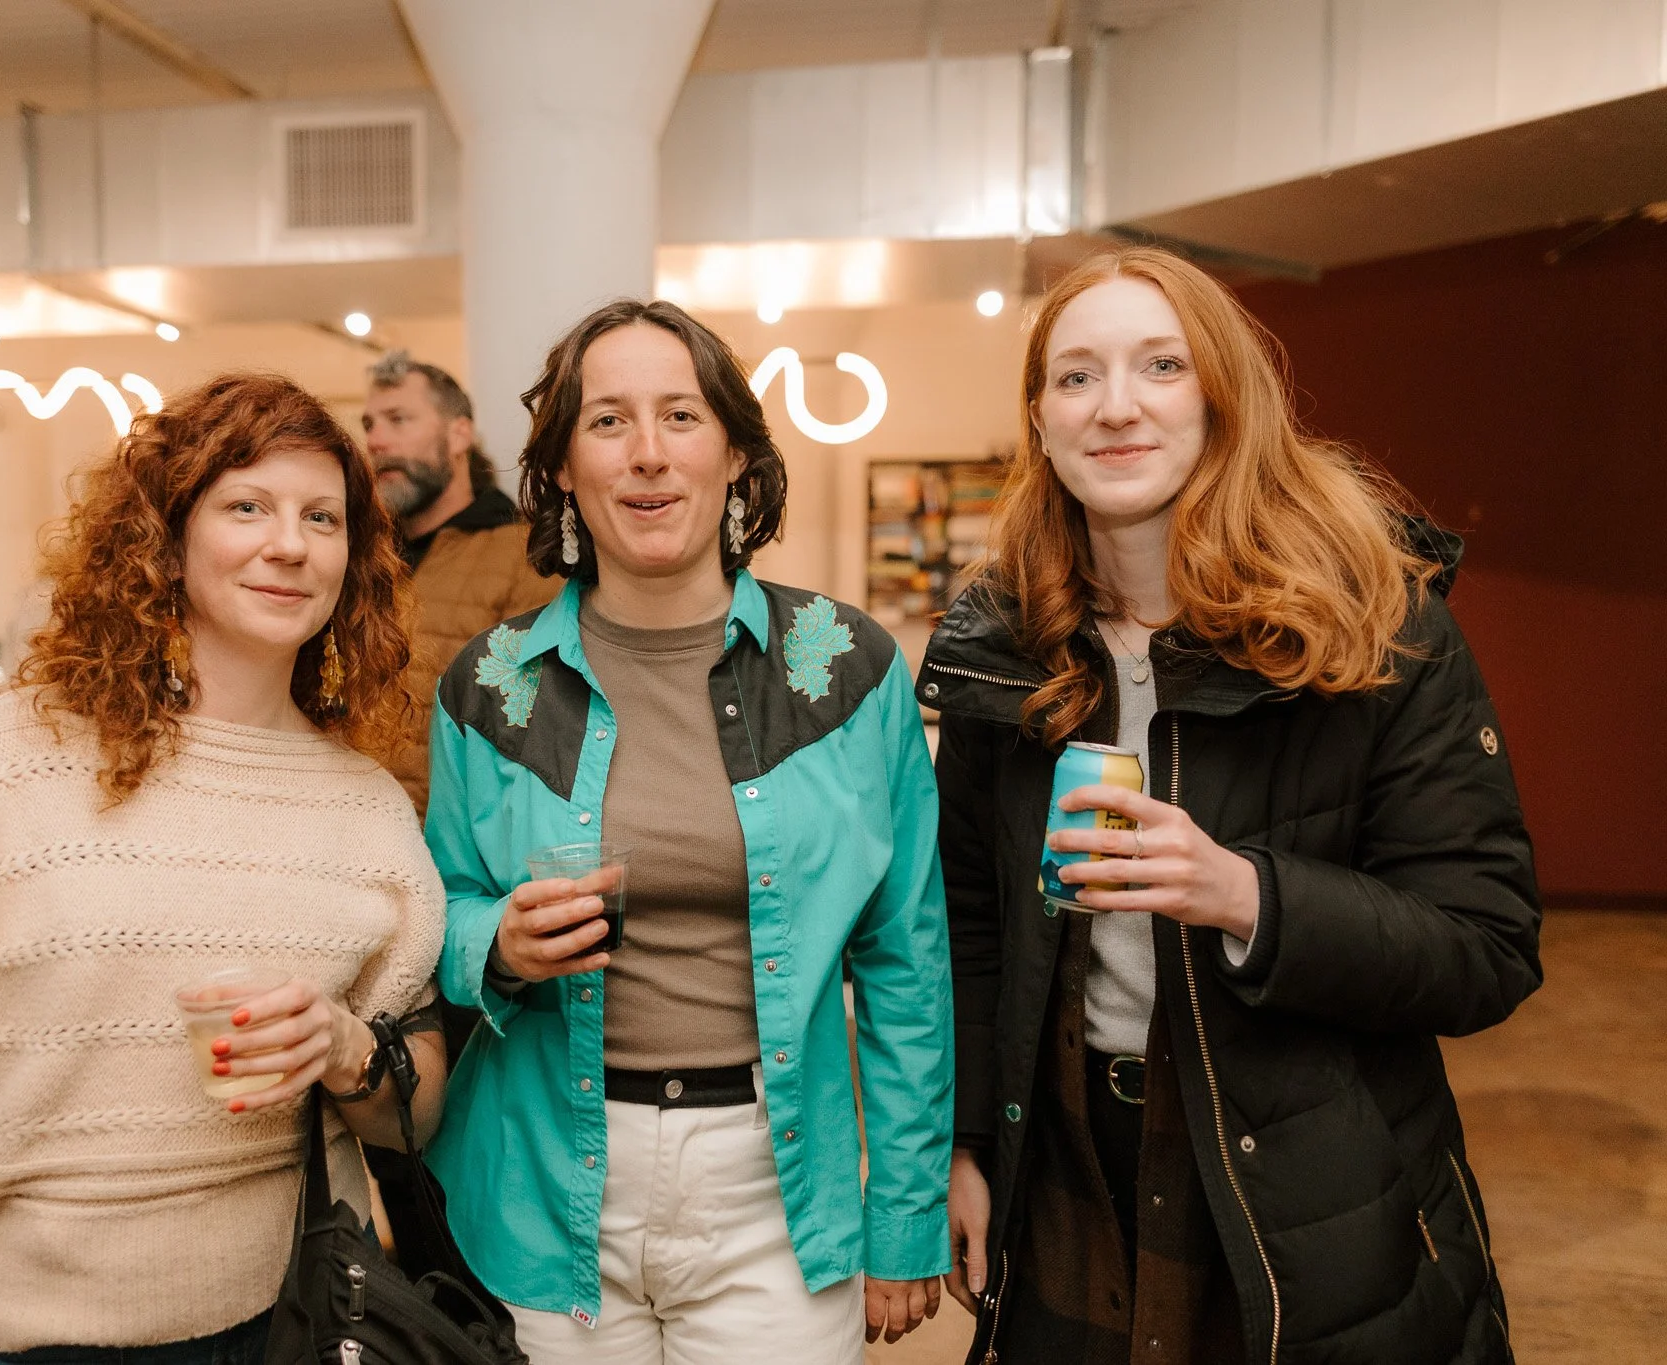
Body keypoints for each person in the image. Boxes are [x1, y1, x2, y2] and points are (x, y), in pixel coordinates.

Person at [922, 247, 1540, 1365]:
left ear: (1222, 396)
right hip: (1062, 1171)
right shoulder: (1002, 650)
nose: (1115, 408)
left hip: (1308, 1188)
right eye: (1075, 377)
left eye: (1159, 366)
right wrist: (964, 1145)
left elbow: (1483, 946)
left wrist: (1247, 897)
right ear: (1039, 422)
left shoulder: (1375, 629)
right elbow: (966, 917)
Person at [0, 373, 450, 1363]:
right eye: (247, 506)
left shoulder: (365, 808)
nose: (288, 542)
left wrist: (341, 1048)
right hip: (30, 1339)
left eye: (320, 516)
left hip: (297, 1321)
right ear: (168, 536)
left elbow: (411, 1110)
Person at [422, 300, 953, 1363]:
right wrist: (496, 947)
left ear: (736, 457)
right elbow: (429, 917)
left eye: (681, 415)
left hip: (774, 1179)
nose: (649, 455)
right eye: (608, 422)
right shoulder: (487, 685)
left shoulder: (846, 669)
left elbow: (906, 961)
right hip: (545, 1179)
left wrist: (904, 1214)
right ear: (563, 467)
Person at [361, 350, 558, 815]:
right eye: (369, 424)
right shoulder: (360, 557)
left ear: (458, 434)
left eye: (399, 419)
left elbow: (533, 729)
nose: (377, 441)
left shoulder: (523, 554)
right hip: (346, 832)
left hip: (454, 848)